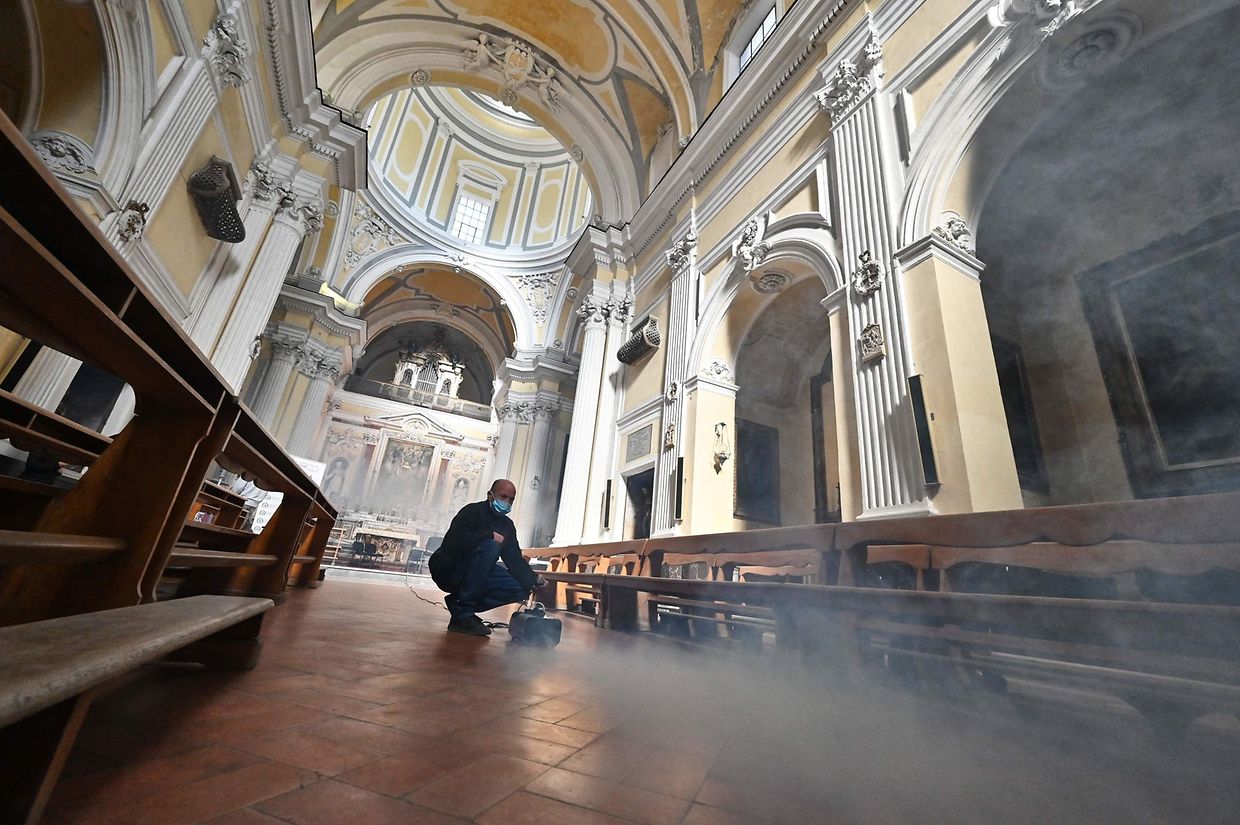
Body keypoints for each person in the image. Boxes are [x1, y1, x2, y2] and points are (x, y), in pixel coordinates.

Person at [429, 478, 545, 636]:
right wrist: (488, 535)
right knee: (490, 545)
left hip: (478, 571)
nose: (507, 502)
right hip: (450, 567)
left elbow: (514, 559)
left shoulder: (507, 526)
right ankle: (463, 614)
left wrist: (534, 578)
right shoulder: (472, 511)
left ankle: (458, 604)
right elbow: (453, 543)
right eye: (503, 497)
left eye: (511, 499)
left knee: (520, 587)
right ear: (490, 495)